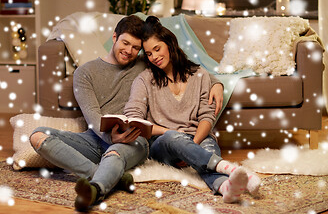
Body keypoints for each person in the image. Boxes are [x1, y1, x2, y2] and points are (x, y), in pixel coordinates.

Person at [30, 15, 224, 211]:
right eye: (125, 43)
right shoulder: (84, 73)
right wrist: (110, 136)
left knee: (116, 151)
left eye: (135, 48)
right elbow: (92, 117)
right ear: (114, 37)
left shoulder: (143, 63)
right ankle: (107, 175)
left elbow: (181, 64)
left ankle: (97, 187)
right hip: (96, 137)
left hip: (133, 138)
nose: (129, 51)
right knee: (37, 136)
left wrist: (216, 83)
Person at [124, 16, 261, 203]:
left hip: (197, 137)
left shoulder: (200, 75)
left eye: (157, 49)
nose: (154, 57)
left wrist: (192, 146)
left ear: (170, 44)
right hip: (163, 143)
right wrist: (172, 135)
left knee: (208, 146)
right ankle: (231, 169)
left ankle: (224, 186)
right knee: (173, 138)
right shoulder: (144, 80)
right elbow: (135, 120)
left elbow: (207, 117)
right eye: (148, 54)